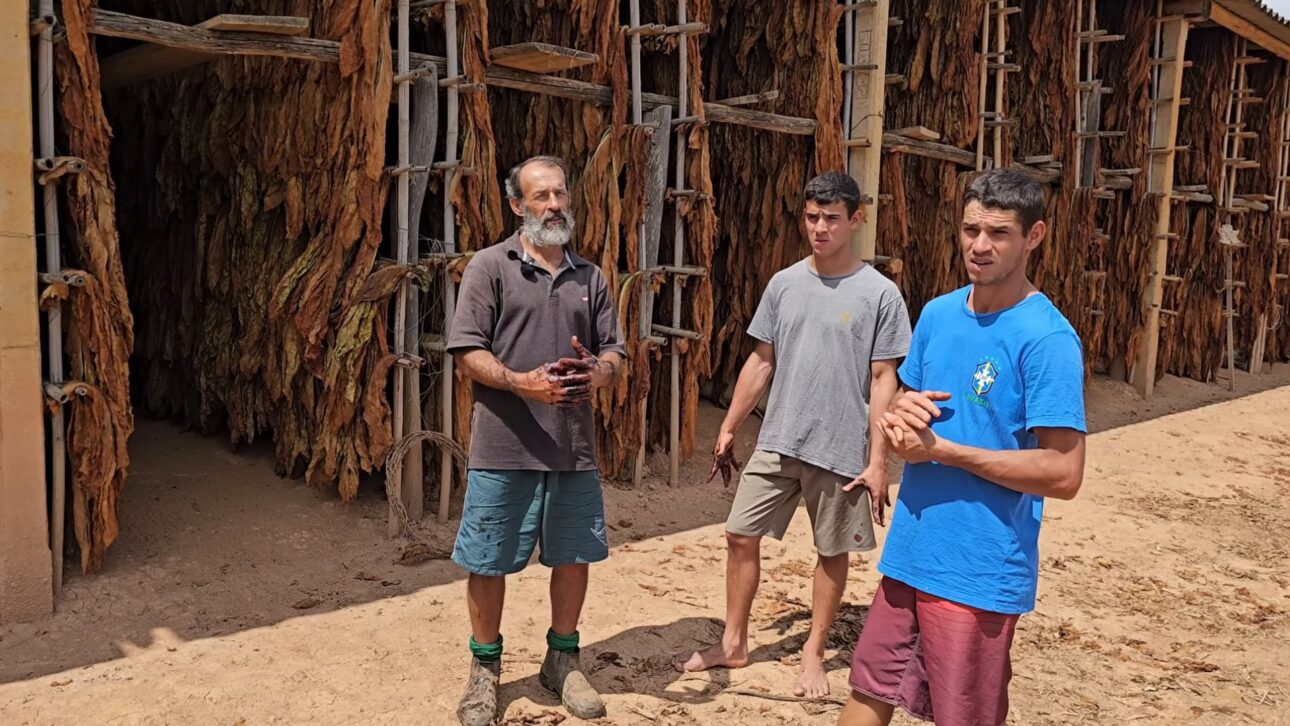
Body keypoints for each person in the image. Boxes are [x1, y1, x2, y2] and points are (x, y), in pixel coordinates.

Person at [839, 169, 1088, 726]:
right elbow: (907, 403)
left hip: (979, 569)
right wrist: (898, 422)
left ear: (1035, 236)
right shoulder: (938, 314)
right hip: (911, 552)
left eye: (999, 233)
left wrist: (944, 452)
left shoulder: (1046, 339)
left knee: (963, 716)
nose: (980, 245)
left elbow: (1065, 473)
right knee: (867, 689)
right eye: (971, 229)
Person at [674, 171, 911, 698]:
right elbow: (762, 361)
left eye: (831, 218)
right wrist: (731, 426)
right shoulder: (784, 283)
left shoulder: (881, 295)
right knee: (739, 534)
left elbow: (883, 381)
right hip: (779, 438)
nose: (819, 228)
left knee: (831, 551)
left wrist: (878, 461)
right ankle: (733, 643)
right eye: (811, 217)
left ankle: (812, 652)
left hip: (841, 446)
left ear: (856, 219)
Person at [447, 155, 626, 726]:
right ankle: (483, 671)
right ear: (517, 205)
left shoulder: (590, 277)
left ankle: (563, 660)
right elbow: (468, 352)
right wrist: (521, 382)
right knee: (489, 559)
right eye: (540, 196)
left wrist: (600, 372)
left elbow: (615, 353)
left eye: (559, 194)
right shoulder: (489, 267)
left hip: (572, 448)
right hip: (503, 445)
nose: (553, 205)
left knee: (573, 554)